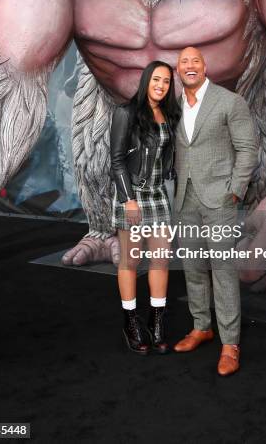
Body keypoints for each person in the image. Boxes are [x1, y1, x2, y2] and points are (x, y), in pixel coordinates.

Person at [173, 47, 258, 376]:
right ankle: (201, 327)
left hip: (220, 200)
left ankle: (230, 343)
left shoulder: (229, 101)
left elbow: (248, 148)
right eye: (184, 62)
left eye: (195, 60)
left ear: (205, 66)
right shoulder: (173, 106)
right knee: (193, 268)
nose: (190, 66)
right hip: (185, 199)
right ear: (178, 70)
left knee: (222, 271)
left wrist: (235, 190)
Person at [110, 60, 181, 355]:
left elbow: (167, 158)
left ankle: (156, 320)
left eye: (165, 81)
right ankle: (130, 322)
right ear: (146, 81)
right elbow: (116, 161)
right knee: (130, 261)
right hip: (133, 196)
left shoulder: (169, 114)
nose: (161, 86)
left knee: (161, 261)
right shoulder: (126, 113)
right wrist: (128, 200)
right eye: (156, 80)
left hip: (158, 195)